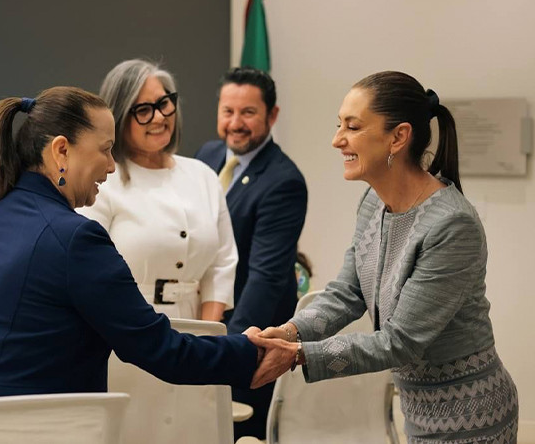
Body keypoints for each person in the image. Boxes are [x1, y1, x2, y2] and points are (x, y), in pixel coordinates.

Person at [0, 87, 276, 406]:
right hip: (18, 427)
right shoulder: (74, 240)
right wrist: (250, 350)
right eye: (105, 150)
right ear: (61, 151)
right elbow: (159, 350)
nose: (111, 166)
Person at [254, 71, 518, 443]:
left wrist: (298, 354)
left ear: (398, 137)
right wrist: (288, 332)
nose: (336, 139)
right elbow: (347, 293)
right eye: (338, 124)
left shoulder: (452, 224)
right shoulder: (373, 202)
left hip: (472, 418)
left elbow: (400, 341)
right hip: (419, 414)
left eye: (353, 126)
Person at [195, 67, 307, 439]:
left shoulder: (283, 181)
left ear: (272, 116)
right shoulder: (206, 157)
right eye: (228, 111)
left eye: (248, 113)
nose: (235, 123)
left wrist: (230, 349)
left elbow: (266, 277)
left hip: (249, 334)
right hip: (204, 322)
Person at [78, 59, 236, 321]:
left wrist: (209, 335)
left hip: (196, 329)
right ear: (118, 117)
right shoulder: (102, 182)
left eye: (164, 103)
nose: (160, 117)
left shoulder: (203, 176)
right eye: (143, 110)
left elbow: (222, 264)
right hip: (124, 327)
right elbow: (89, 269)